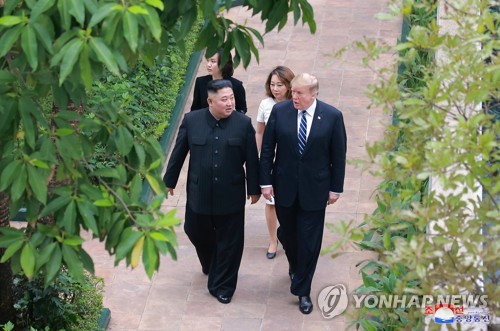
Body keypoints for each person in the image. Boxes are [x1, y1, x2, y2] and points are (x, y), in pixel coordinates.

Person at [163, 79, 260, 305]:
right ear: (210, 101)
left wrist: (254, 188)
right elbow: (178, 153)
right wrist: (169, 180)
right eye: (224, 99)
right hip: (200, 193)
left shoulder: (243, 124)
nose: (230, 103)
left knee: (230, 242)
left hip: (231, 194)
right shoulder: (192, 121)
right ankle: (211, 261)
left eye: (232, 98)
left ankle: (223, 286)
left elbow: (252, 161)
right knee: (194, 229)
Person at [259, 73, 347, 314]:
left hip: (315, 190)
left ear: (314, 93)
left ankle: (302, 289)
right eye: (293, 92)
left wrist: (335, 188)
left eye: (299, 93)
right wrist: (265, 182)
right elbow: (267, 149)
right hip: (284, 187)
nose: (294, 96)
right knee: (289, 235)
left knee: (309, 242)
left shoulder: (332, 116)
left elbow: (338, 156)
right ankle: (294, 261)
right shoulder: (280, 112)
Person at [255, 66, 295, 259]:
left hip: (290, 162)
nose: (276, 88)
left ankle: (289, 236)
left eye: (280, 84)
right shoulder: (265, 105)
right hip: (271, 161)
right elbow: (260, 132)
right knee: (270, 202)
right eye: (272, 84)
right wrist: (260, 157)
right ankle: (273, 240)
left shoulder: (297, 104)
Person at [191, 49, 247, 113]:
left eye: (213, 61)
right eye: (208, 61)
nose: (208, 65)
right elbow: (195, 108)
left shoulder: (237, 85)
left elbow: (242, 109)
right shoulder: (200, 82)